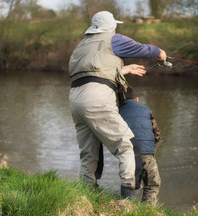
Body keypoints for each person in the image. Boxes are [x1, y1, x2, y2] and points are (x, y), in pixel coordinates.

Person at [68, 11, 167, 198]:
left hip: (75, 99)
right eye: (115, 26)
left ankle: (86, 194)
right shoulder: (113, 38)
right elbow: (142, 48)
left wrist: (125, 69)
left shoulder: (82, 45)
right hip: (97, 98)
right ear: (111, 27)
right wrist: (159, 52)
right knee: (128, 146)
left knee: (89, 152)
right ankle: (127, 200)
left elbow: (93, 72)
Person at [118, 87, 162, 204]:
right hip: (146, 154)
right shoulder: (146, 110)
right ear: (137, 99)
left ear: (119, 101)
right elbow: (156, 133)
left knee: (131, 183)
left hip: (128, 154)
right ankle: (147, 209)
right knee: (152, 183)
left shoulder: (117, 113)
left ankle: (129, 207)